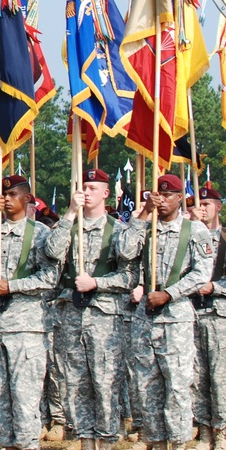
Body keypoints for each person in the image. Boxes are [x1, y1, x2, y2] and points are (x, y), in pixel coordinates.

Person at [42, 169, 135, 450]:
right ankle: (84, 438)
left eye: (92, 188)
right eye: (83, 187)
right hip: (70, 314)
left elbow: (130, 276)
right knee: (75, 382)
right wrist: (70, 213)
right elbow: (52, 252)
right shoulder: (70, 227)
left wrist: (97, 282)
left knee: (105, 382)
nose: (86, 192)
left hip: (104, 316)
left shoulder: (117, 230)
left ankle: (106, 440)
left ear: (106, 193)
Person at [0, 175, 61, 450]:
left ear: (27, 199)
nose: (6, 199)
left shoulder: (40, 234)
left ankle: (28, 444)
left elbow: (50, 277)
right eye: (3, 194)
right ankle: (8, 444)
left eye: (13, 194)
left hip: (26, 325)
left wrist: (13, 286)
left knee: (24, 394)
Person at [120, 174, 213, 450]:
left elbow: (201, 273)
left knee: (177, 386)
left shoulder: (193, 231)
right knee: (147, 386)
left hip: (176, 316)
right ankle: (156, 441)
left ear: (179, 198)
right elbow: (125, 253)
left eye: (167, 196)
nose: (161, 201)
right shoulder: (147, 228)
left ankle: (180, 441)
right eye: (157, 195)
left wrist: (170, 293)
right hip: (146, 317)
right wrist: (144, 213)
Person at [189, 185, 226, 450]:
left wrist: (216, 287)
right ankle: (203, 429)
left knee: (220, 376)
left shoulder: (225, 237)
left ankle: (221, 429)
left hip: (219, 313)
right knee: (196, 376)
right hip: (192, 312)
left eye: (206, 205)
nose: (201, 210)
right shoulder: (188, 236)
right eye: (197, 206)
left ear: (218, 207)